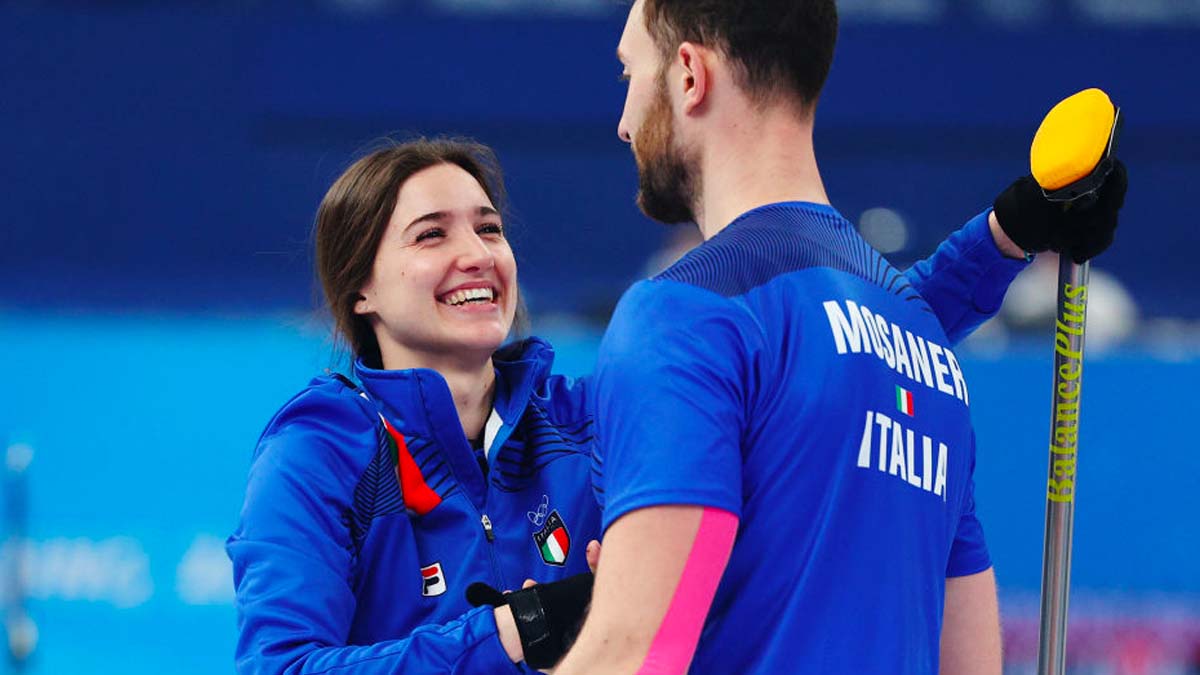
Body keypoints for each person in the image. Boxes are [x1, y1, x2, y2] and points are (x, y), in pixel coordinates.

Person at [225, 131, 1109, 672]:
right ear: (362, 290)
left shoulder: (574, 418)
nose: (478, 253)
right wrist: (510, 634)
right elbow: (280, 667)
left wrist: (1009, 234)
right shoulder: (322, 447)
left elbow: (829, 341)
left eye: (489, 227)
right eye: (432, 234)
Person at [554, 2, 1127, 674]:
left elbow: (635, 653)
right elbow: (970, 661)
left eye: (631, 74)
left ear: (688, 75)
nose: (624, 124)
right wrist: (1003, 236)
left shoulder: (683, 313)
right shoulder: (921, 345)